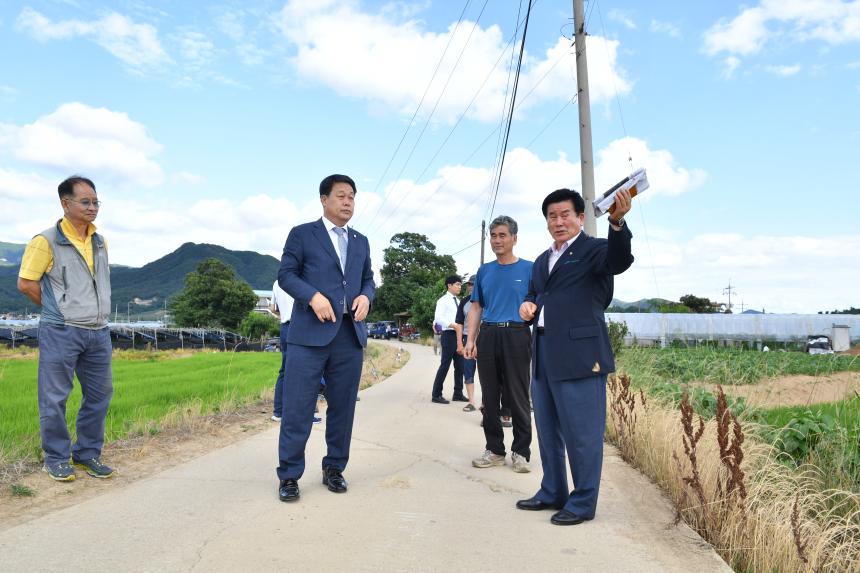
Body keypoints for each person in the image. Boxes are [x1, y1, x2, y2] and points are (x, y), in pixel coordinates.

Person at [517, 187, 633, 526]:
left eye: (565, 214)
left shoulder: (595, 250)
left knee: (582, 434)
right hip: (543, 354)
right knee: (548, 430)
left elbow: (619, 260)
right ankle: (553, 490)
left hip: (581, 356)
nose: (558, 221)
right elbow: (535, 294)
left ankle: (582, 502)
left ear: (580, 217)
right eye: (552, 216)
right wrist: (527, 305)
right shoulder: (542, 259)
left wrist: (617, 223)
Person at [276, 174, 375, 503]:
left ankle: (334, 467)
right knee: (298, 408)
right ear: (324, 199)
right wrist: (313, 296)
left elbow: (368, 281)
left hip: (349, 335)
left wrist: (366, 297)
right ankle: (289, 474)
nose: (348, 202)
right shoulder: (303, 234)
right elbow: (286, 275)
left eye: (352, 197)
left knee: (343, 408)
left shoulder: (360, 241)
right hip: (308, 337)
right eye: (342, 196)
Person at [17, 175, 115, 481]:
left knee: (100, 395)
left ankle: (86, 453)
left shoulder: (100, 241)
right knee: (55, 397)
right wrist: (56, 309)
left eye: (95, 202)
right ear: (65, 203)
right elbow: (26, 283)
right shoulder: (45, 241)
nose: (92, 207)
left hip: (98, 331)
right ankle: (57, 457)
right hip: (61, 331)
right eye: (85, 202)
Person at [463, 216, 533, 474]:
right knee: (489, 397)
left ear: (514, 238)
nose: (497, 240)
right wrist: (470, 339)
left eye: (502, 235)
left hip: (517, 334)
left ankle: (521, 452)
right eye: (493, 235)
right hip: (489, 335)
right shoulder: (484, 271)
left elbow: (537, 304)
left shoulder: (529, 269)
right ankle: (494, 450)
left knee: (518, 395)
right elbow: (476, 307)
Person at [270, 281, 322, 425]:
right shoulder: (303, 279)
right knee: (306, 372)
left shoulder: (277, 282)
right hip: (302, 326)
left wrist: (285, 311)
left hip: (285, 327)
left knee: (285, 370)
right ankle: (305, 416)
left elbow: (273, 308)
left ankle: (278, 412)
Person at [430, 276, 467, 404]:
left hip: (459, 335)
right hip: (449, 334)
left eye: (460, 285)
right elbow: (438, 318)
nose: (459, 287)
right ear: (449, 285)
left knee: (460, 366)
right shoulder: (443, 301)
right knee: (445, 365)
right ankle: (436, 394)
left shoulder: (458, 301)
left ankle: (458, 393)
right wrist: (453, 325)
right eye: (457, 284)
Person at [454, 275, 477, 412]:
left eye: (474, 284)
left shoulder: (487, 300)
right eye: (470, 284)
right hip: (467, 338)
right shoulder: (464, 302)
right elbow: (459, 324)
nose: (471, 287)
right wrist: (459, 344)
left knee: (488, 373)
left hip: (484, 338)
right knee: (468, 371)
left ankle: (487, 403)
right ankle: (471, 402)